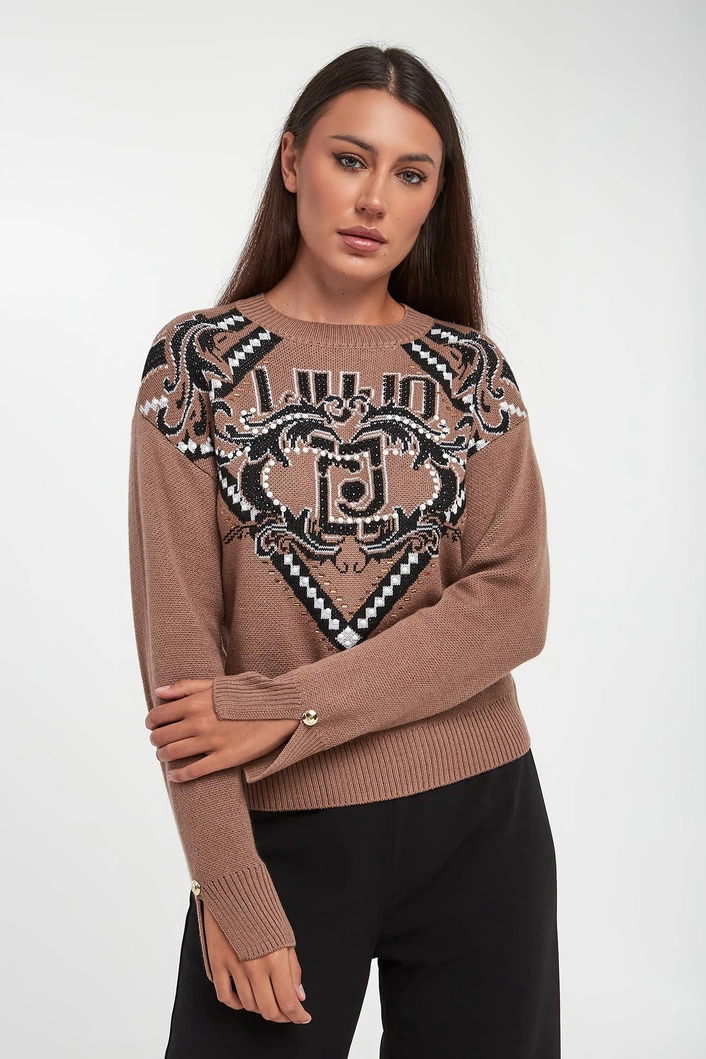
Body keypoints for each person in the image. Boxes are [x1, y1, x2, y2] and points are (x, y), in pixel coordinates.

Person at [127, 43, 560, 1059]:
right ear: (293, 162)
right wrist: (227, 883)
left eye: (410, 174)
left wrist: (291, 706)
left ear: (435, 199)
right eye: (349, 159)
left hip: (480, 822)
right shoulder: (195, 366)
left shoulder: (470, 374)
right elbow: (182, 657)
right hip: (284, 839)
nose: (373, 200)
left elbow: (511, 607)